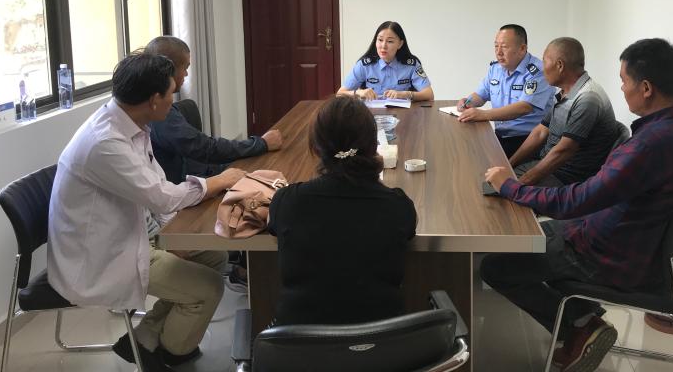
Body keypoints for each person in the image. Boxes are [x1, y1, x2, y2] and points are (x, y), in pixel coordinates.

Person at [480, 38, 673, 372]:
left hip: (611, 255)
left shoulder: (646, 146)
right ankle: (585, 318)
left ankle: (580, 327)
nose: (621, 88)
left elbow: (576, 201)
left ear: (646, 88)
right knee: (533, 235)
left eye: (624, 81)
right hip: (657, 253)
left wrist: (510, 187)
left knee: (496, 266)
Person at [47, 53, 248, 372]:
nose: (174, 99)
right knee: (209, 288)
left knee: (213, 256)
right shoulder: (105, 142)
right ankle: (169, 355)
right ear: (154, 100)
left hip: (129, 234)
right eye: (171, 93)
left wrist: (173, 236)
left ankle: (144, 339)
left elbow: (155, 185)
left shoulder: (131, 124)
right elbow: (161, 196)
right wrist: (218, 182)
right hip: (101, 256)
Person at [267, 96, 417, 325]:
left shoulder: (287, 202)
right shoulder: (397, 206)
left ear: (316, 148)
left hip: (299, 343)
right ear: (374, 146)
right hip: (381, 342)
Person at [145, 36, 282, 185]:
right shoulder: (157, 112)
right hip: (186, 189)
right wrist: (261, 144)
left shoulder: (160, 107)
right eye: (185, 68)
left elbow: (201, 148)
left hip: (198, 171)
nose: (186, 74)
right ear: (168, 69)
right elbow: (205, 148)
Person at [507, 37, 620, 187]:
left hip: (567, 178)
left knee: (493, 190)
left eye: (545, 61)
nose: (542, 68)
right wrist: (508, 165)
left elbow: (564, 151)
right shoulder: (564, 92)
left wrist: (517, 186)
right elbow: (540, 132)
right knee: (492, 179)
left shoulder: (588, 98)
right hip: (548, 165)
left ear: (559, 65)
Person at [457, 24, 554, 158]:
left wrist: (483, 115)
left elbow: (524, 107)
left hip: (528, 140)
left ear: (522, 48)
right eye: (496, 46)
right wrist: (467, 102)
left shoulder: (538, 72)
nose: (498, 52)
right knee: (467, 153)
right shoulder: (496, 68)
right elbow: (481, 94)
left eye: (504, 47)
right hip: (500, 137)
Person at [337, 21, 434, 102]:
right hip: (371, 115)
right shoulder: (364, 65)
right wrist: (359, 92)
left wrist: (405, 94)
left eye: (390, 41)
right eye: (380, 40)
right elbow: (340, 94)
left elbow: (429, 94)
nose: (383, 46)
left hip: (404, 114)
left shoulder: (411, 65)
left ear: (400, 44)